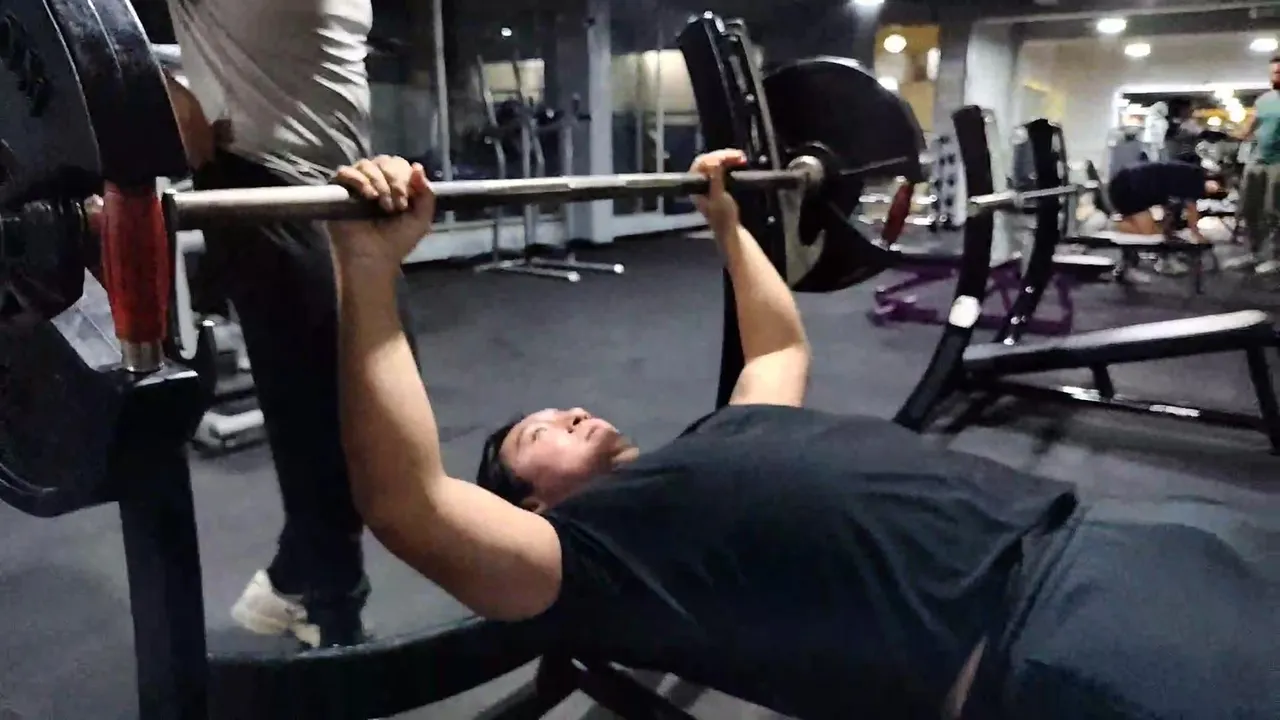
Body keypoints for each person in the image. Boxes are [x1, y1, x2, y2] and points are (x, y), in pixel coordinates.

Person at [326, 150, 1274, 719]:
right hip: (1043, 638)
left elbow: (777, 345)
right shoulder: (587, 564)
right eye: (538, 432)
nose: (567, 410)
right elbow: (407, 501)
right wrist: (368, 269)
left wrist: (727, 223)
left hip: (1107, 533)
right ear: (527, 504)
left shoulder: (723, 433)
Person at [161, 0, 414, 648]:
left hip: (345, 191)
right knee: (330, 435)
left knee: (385, 417)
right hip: (264, 184)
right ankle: (334, 620)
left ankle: (288, 582)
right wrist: (143, 84)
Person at [1105, 159, 1221, 279]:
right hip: (1130, 187)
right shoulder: (1195, 179)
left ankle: (1121, 230)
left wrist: (1168, 232)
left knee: (1154, 232)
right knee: (1149, 235)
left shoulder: (1185, 174)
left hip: (1127, 182)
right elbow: (1192, 210)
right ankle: (1110, 226)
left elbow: (1168, 206)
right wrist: (1197, 235)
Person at [1232, 54, 1280, 275]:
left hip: (1278, 162)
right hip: (1257, 160)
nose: (1275, 76)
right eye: (1273, 72)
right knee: (1249, 209)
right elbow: (1247, 128)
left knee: (1274, 210)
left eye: (1279, 73)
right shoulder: (1263, 100)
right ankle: (1254, 252)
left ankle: (1276, 257)